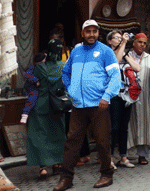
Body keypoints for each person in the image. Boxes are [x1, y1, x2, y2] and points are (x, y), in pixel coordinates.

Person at [54, 20, 121, 191]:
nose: (92, 34)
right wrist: (71, 89)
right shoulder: (76, 51)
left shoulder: (106, 51)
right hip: (78, 105)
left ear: (99, 33)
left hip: (99, 105)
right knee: (72, 142)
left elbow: (115, 76)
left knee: (102, 140)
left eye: (95, 31)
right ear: (83, 33)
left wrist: (106, 96)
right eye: (88, 31)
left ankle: (107, 174)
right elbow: (65, 71)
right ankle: (66, 178)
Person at [26, 39, 65, 179]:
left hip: (40, 105)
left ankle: (43, 167)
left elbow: (28, 84)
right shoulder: (63, 66)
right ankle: (57, 164)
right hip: (57, 106)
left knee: (40, 135)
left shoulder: (40, 68)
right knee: (57, 135)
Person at [107, 30, 141, 168]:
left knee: (123, 127)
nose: (120, 40)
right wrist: (125, 43)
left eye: (121, 38)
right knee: (113, 127)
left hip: (127, 96)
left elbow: (137, 67)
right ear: (109, 41)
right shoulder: (107, 54)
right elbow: (115, 63)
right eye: (117, 38)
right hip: (114, 95)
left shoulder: (126, 54)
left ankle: (123, 156)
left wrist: (126, 55)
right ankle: (108, 158)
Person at [126, 32, 150, 165]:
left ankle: (142, 155)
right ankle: (126, 154)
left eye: (145, 43)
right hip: (128, 97)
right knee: (129, 124)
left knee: (145, 124)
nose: (142, 45)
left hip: (144, 97)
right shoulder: (126, 56)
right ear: (134, 42)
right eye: (140, 42)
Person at [20, 52, 46, 124]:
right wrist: (36, 80)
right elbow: (27, 75)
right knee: (32, 98)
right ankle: (25, 114)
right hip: (32, 87)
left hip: (39, 88)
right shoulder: (33, 67)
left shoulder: (42, 67)